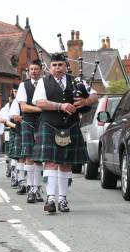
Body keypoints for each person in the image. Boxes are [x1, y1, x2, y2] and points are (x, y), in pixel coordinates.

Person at [32, 53, 98, 213]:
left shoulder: (76, 81)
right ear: (50, 67)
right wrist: (60, 106)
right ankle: (51, 199)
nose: (57, 68)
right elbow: (39, 102)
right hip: (49, 125)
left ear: (66, 66)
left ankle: (63, 199)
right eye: (54, 65)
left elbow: (95, 95)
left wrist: (86, 101)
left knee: (66, 163)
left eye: (60, 65)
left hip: (70, 125)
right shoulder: (43, 82)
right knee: (51, 162)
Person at [16, 59, 44, 204]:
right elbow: (24, 108)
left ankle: (37, 189)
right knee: (28, 156)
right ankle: (30, 188)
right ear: (29, 71)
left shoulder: (45, 84)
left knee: (39, 157)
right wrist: (41, 108)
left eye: (36, 69)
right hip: (28, 122)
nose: (33, 71)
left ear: (41, 70)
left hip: (43, 123)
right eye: (31, 69)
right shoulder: (23, 85)